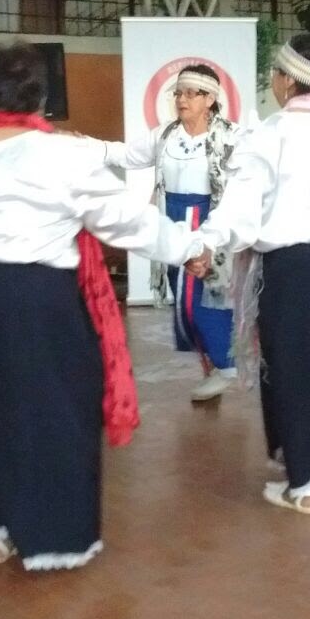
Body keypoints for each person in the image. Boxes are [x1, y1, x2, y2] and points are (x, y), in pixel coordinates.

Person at [0, 40, 205, 570]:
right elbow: (128, 222)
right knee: (57, 409)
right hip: (38, 296)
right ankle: (55, 538)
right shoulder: (64, 156)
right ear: (42, 95)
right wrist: (190, 248)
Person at [192, 33, 310, 515]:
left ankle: (303, 485)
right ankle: (301, 447)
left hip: (297, 263)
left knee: (290, 367)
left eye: (275, 73)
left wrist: (206, 241)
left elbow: (240, 204)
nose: (272, 81)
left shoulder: (271, 133)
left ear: (288, 80)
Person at [104, 64, 242, 402]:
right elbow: (125, 155)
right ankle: (214, 368)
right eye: (178, 93)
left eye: (191, 93)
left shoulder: (232, 137)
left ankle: (226, 367)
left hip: (210, 223)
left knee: (202, 301)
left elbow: (245, 188)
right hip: (173, 221)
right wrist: (87, 148)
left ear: (210, 98)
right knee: (183, 304)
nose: (182, 99)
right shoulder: (164, 136)